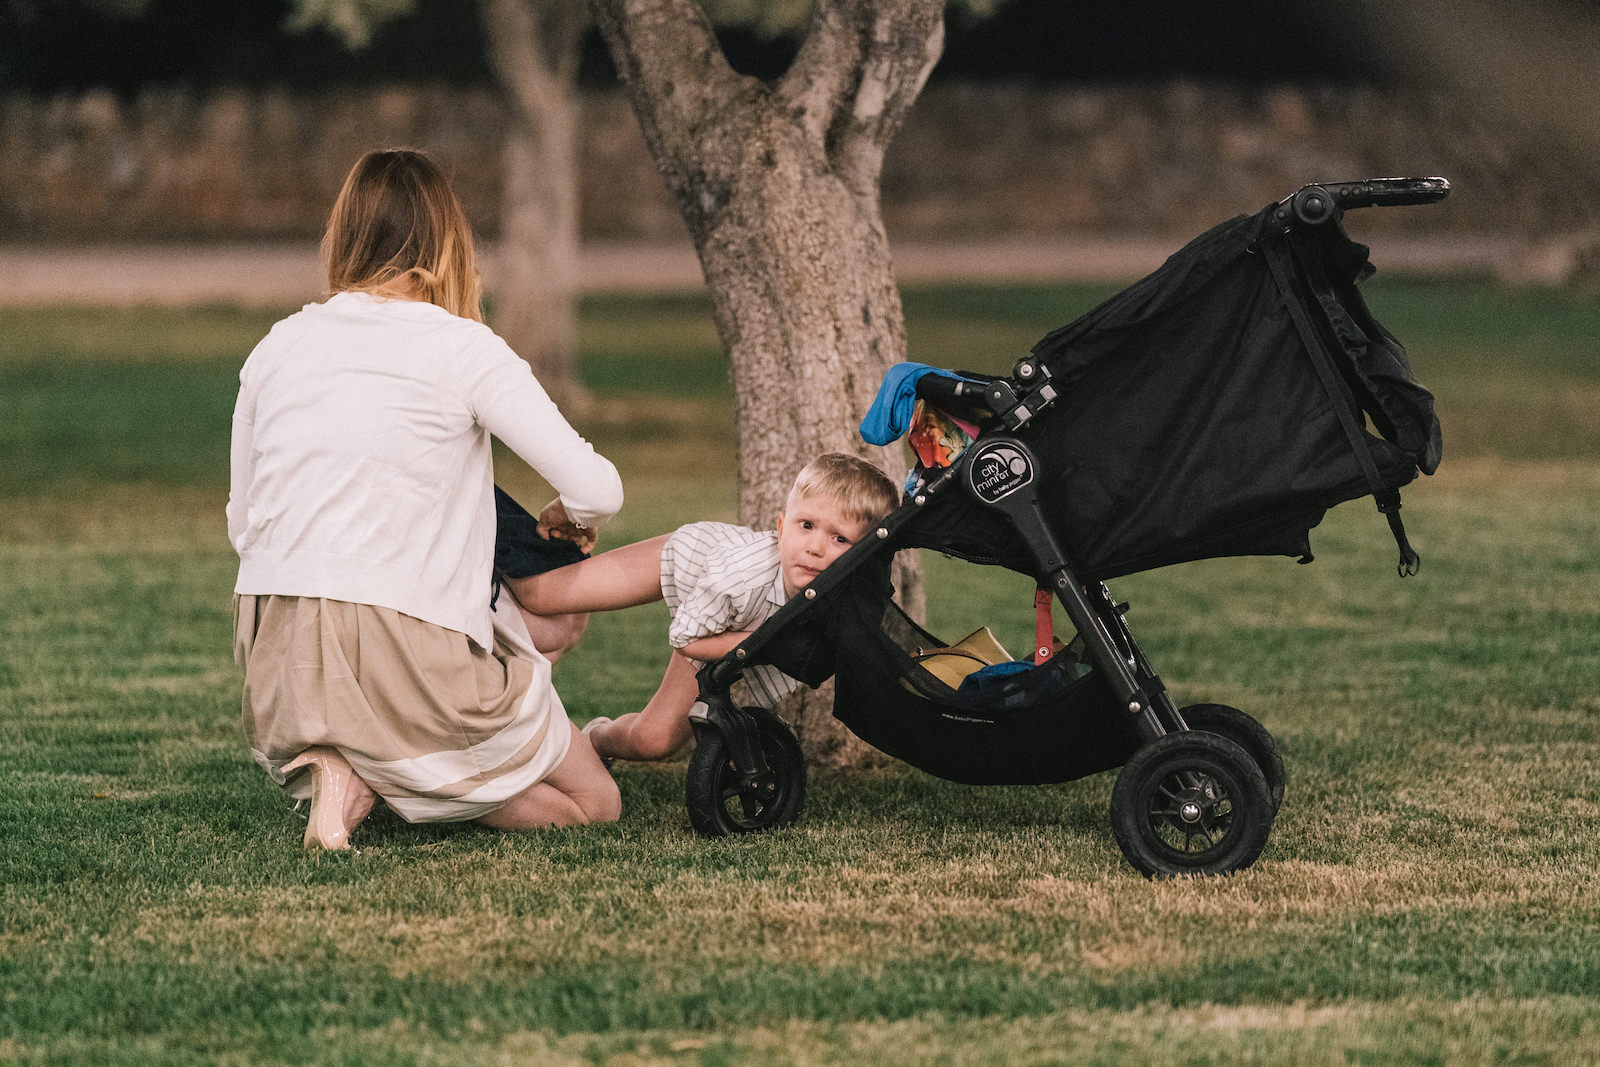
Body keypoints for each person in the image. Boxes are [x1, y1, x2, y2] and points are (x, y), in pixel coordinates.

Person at [228, 147, 624, 850]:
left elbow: (243, 524)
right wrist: (572, 516)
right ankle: (399, 771)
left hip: (279, 668)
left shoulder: (276, 346)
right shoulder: (462, 348)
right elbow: (597, 487)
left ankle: (354, 769)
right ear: (449, 240)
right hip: (404, 654)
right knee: (593, 803)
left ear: (343, 235)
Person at [508, 452, 900, 763]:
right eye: (806, 526)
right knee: (539, 595)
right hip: (690, 562)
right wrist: (762, 640)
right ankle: (501, 535)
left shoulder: (844, 596)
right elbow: (686, 637)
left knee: (654, 741)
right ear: (781, 527)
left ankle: (594, 740)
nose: (816, 547)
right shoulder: (740, 575)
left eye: (840, 539)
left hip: (722, 623)